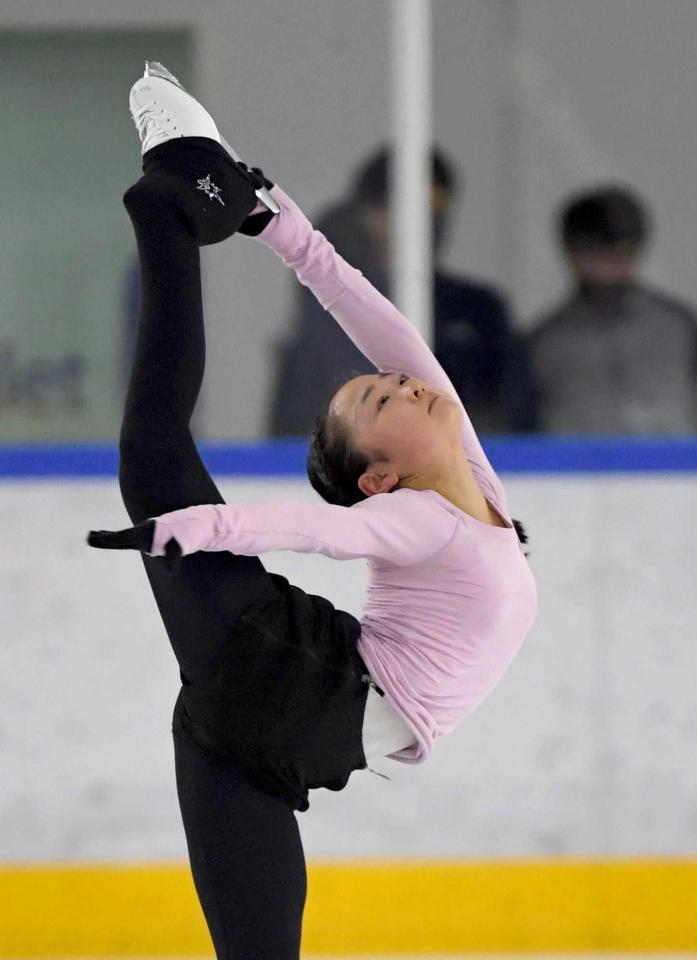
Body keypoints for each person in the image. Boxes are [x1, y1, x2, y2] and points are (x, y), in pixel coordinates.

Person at [88, 62, 537, 959]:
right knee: (154, 457)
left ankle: (198, 187)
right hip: (293, 683)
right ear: (379, 476)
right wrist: (196, 528)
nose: (406, 382)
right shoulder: (419, 519)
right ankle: (168, 211)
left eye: (391, 387)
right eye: (382, 401)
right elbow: (318, 530)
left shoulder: (467, 474)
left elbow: (379, 324)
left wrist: (284, 231)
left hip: (264, 738)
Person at [268, 146, 537, 437]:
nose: (429, 220)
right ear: (370, 215)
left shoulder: (479, 310)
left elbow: (514, 415)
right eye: (410, 206)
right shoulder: (334, 312)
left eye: (437, 203)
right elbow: (298, 425)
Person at [527, 185, 697, 433]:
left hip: (675, 469)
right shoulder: (545, 343)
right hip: (576, 469)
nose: (611, 265)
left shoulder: (678, 325)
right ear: (572, 253)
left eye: (623, 253)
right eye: (598, 253)